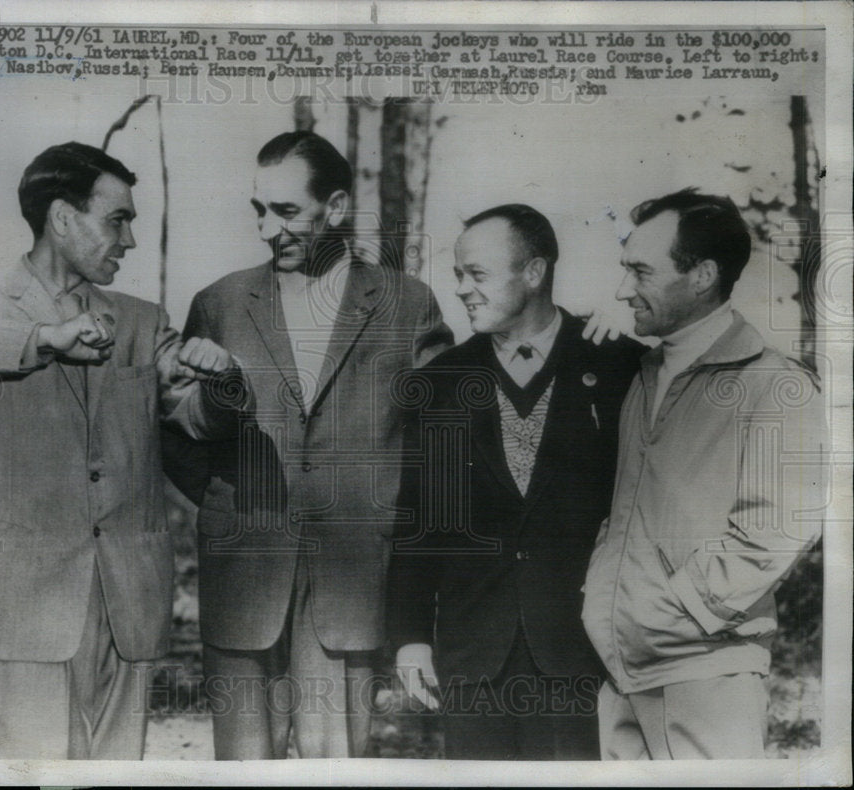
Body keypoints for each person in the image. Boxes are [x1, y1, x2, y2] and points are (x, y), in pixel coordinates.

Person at [0, 142, 246, 759]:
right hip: (19, 602)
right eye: (118, 219)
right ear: (61, 218)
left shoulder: (140, 320)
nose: (129, 239)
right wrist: (43, 338)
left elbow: (194, 417)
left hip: (127, 598)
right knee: (28, 768)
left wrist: (222, 383)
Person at [162, 130, 454, 758]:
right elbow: (180, 437)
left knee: (335, 767)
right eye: (258, 211)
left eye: (286, 211)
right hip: (244, 575)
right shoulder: (218, 303)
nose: (268, 229)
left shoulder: (407, 306)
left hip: (350, 582)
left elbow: (443, 442)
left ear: (338, 208)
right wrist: (232, 502)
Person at [386, 204, 645, 760]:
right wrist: (410, 639)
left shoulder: (619, 363)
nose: (461, 290)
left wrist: (646, 340)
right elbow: (419, 522)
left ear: (534, 272)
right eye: (458, 274)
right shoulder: (441, 383)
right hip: (473, 656)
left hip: (583, 652)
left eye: (476, 275)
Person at [581, 188, 824, 760]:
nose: (621, 290)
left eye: (640, 271)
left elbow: (780, 527)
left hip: (705, 675)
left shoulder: (775, 385)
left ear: (703, 275)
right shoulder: (642, 376)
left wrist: (681, 608)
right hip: (620, 675)